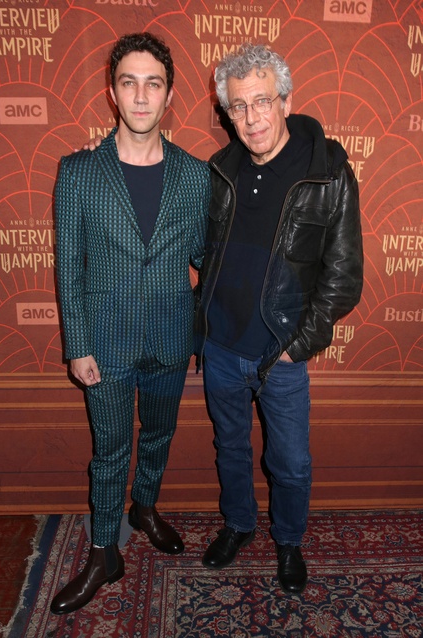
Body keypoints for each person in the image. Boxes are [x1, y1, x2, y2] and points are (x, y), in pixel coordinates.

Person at [194, 43, 363, 594]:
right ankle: (239, 525)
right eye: (238, 106)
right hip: (220, 347)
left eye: (262, 101)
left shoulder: (329, 174)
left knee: (289, 463)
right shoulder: (220, 170)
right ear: (227, 112)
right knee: (231, 448)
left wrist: (296, 345)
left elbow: (344, 278)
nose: (252, 118)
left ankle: (288, 541)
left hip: (282, 354)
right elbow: (204, 249)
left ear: (286, 101)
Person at [50, 32, 210, 615]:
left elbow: (204, 257)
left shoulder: (195, 175)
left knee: (159, 436)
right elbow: (68, 266)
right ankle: (103, 552)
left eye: (154, 84)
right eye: (129, 82)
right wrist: (78, 344)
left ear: (169, 95)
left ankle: (144, 508)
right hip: (106, 344)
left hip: (171, 338)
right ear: (112, 93)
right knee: (110, 450)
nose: (141, 96)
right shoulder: (78, 171)